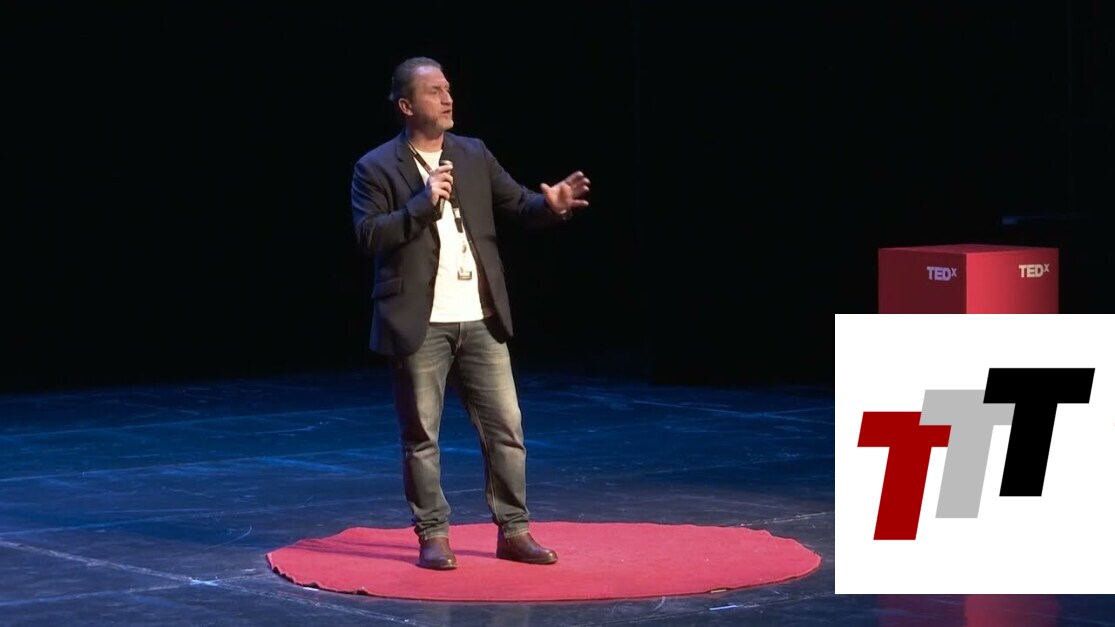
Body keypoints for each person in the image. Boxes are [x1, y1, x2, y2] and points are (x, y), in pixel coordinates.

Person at [349, 56, 590, 570]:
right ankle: (433, 534)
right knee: (422, 437)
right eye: (434, 91)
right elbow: (369, 235)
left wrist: (550, 206)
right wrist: (421, 203)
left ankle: (514, 530)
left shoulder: (473, 153)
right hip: (419, 322)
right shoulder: (375, 167)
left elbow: (519, 204)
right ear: (406, 105)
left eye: (448, 89)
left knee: (506, 428)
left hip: (481, 316)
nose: (447, 98)